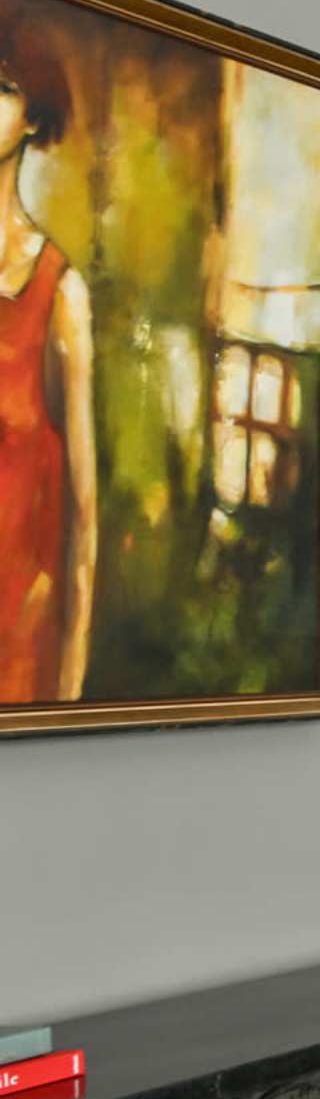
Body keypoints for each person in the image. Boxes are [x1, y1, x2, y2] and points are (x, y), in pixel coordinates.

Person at [0, 40, 94, 706]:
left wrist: (72, 682)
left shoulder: (59, 292)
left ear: (34, 114)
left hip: (18, 645)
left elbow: (85, 510)